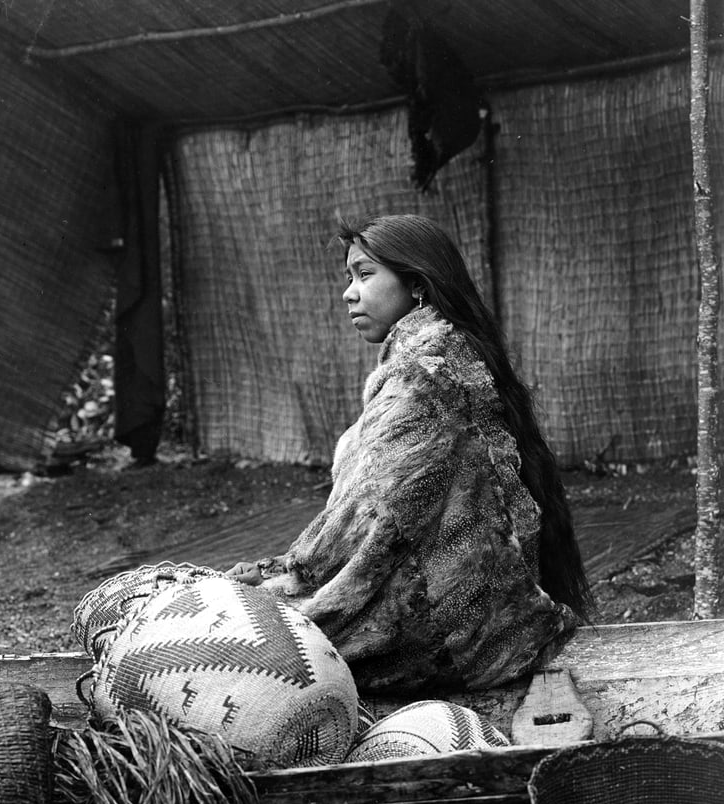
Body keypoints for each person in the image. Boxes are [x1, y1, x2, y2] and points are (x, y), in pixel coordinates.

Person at [228, 214, 591, 695]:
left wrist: (289, 573)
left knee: (247, 641)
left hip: (456, 631)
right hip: (486, 613)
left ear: (417, 284)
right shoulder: (447, 349)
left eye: (365, 274)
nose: (349, 293)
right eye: (348, 278)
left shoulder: (423, 369)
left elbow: (370, 511)